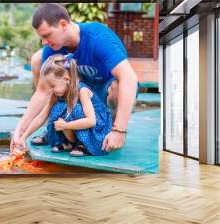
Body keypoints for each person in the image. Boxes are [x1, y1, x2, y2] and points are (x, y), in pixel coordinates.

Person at [10, 3, 139, 153]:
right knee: (39, 61)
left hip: (104, 95)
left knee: (117, 87)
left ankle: (108, 132)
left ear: (63, 24)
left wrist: (119, 131)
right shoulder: (52, 50)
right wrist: (19, 130)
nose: (44, 42)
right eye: (41, 37)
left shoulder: (98, 38)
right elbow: (42, 92)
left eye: (47, 35)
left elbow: (130, 79)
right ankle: (56, 130)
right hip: (77, 94)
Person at [17, 54, 112, 156]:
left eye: (52, 86)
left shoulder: (82, 91)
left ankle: (83, 144)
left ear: (66, 79)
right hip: (75, 125)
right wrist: (24, 137)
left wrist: (66, 125)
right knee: (58, 107)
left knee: (75, 108)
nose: (50, 90)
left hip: (96, 129)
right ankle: (70, 143)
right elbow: (41, 116)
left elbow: (91, 121)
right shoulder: (56, 94)